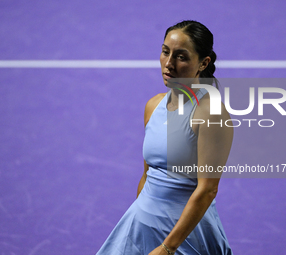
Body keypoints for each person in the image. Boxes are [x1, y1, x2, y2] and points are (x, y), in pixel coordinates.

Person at [97, 20, 233, 255]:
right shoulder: (153, 105)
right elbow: (148, 173)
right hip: (142, 224)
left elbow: (208, 189)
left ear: (203, 63)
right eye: (165, 52)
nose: (168, 64)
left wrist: (168, 247)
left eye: (181, 56)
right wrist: (138, 220)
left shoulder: (211, 113)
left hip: (185, 236)